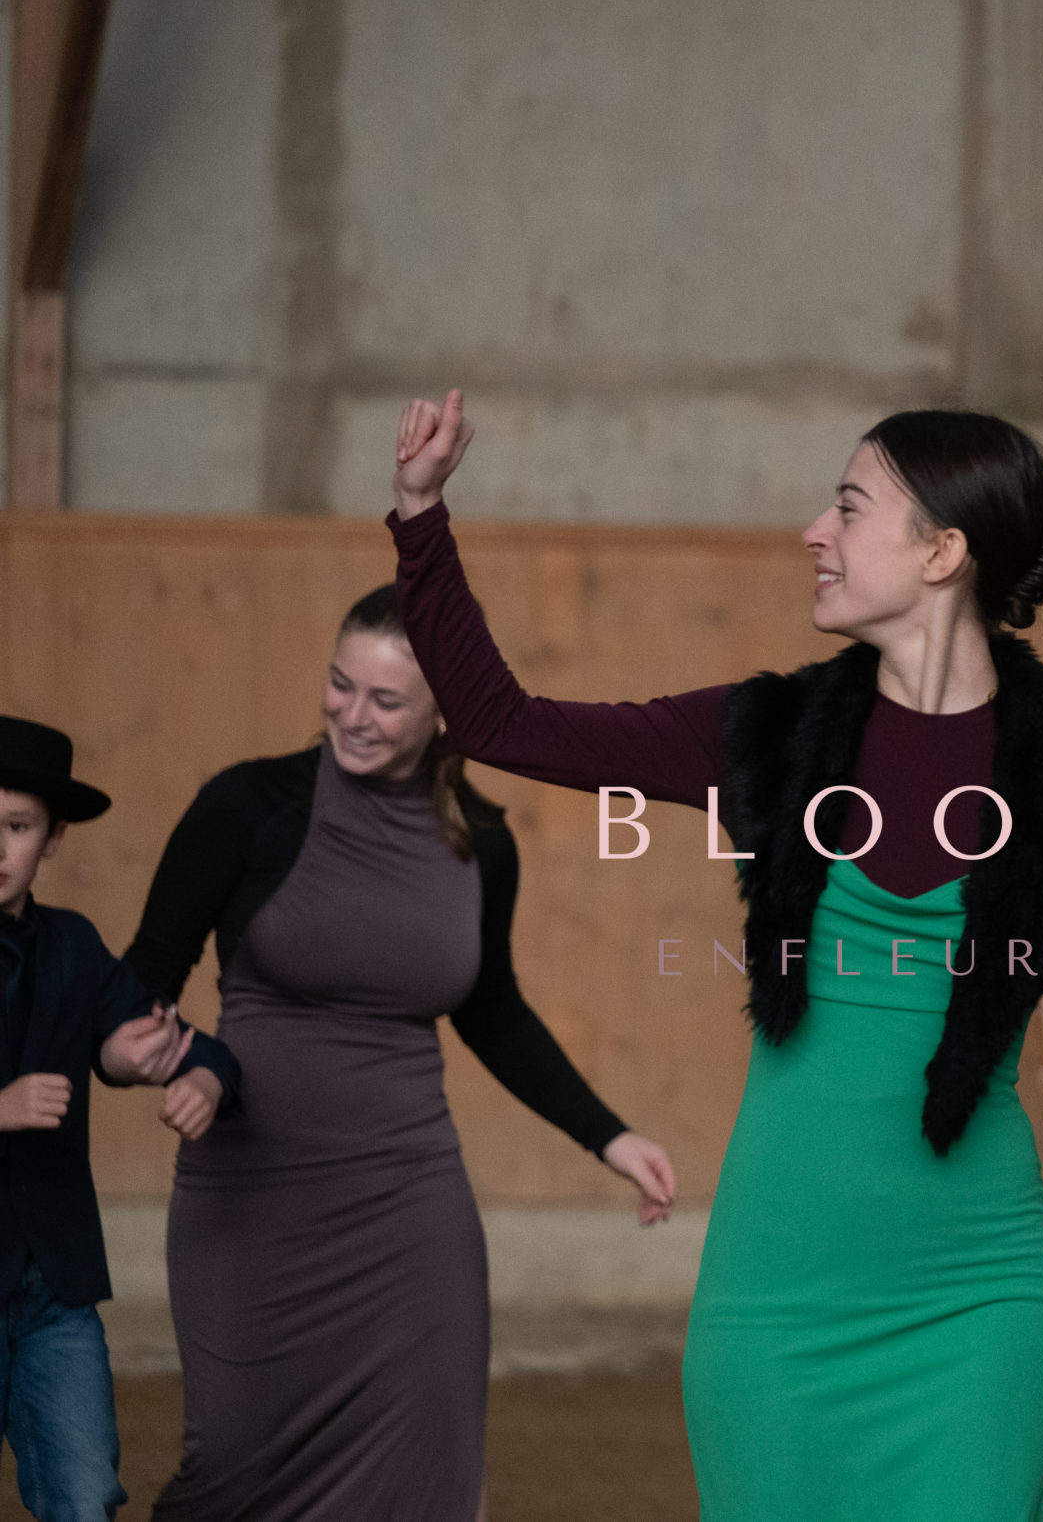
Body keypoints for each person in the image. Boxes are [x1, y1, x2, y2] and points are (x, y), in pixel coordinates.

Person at [381, 391, 1043, 1520]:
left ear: (942, 552)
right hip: (774, 1306)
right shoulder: (768, 734)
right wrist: (421, 517)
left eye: (847, 507)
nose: (812, 533)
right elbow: (502, 724)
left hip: (977, 1305)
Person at [130, 587, 673, 1522]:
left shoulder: (483, 843)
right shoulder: (248, 806)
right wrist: (163, 1057)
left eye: (385, 700)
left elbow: (493, 1012)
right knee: (231, 1470)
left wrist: (610, 1137)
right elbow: (144, 978)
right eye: (340, 685)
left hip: (409, 1206)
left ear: (444, 712)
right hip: (250, 1197)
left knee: (433, 1474)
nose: (352, 714)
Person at [0, 718, 240, 1522]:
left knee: (85, 1493)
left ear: (54, 838)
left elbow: (170, 1039)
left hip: (54, 1288)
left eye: (17, 826)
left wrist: (202, 1075)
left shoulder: (73, 946)